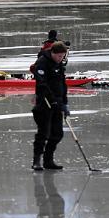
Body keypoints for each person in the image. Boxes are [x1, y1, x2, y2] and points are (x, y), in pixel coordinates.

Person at [31, 41, 69, 171]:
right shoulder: (42, 62)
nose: (61, 58)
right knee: (43, 133)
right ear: (53, 53)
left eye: (63, 56)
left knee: (57, 134)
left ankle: (48, 160)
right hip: (44, 103)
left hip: (57, 104)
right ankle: (36, 161)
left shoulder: (59, 65)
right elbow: (42, 84)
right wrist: (51, 100)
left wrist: (64, 103)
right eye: (59, 56)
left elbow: (63, 85)